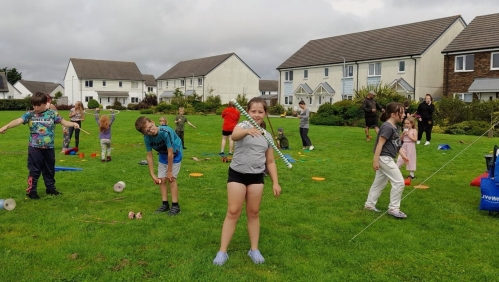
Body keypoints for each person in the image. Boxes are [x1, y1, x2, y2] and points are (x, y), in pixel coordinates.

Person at [213, 97, 282, 266]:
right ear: (248, 111)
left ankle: (254, 249)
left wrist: (275, 182)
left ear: (265, 113)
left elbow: (270, 162)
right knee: (233, 211)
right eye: (253, 111)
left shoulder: (267, 136)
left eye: (260, 112)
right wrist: (247, 131)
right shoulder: (243, 126)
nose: (257, 115)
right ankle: (222, 252)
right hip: (237, 174)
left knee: (253, 212)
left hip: (256, 177)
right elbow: (234, 136)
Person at [0, 92, 79, 199]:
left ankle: (50, 189)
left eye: (38, 105)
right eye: (34, 105)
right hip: (34, 148)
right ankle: (31, 191)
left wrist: (73, 124)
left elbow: (64, 122)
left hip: (49, 148)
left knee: (49, 169)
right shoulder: (30, 114)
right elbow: (18, 120)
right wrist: (6, 126)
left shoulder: (52, 114)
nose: (36, 107)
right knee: (34, 170)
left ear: (45, 103)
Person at [364, 102, 409, 219]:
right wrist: (375, 161)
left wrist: (403, 156)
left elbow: (396, 144)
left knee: (379, 183)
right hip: (384, 158)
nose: (404, 115)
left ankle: (369, 205)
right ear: (393, 114)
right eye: (402, 112)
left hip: (387, 157)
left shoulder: (395, 127)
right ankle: (394, 208)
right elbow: (380, 144)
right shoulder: (387, 127)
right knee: (399, 182)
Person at [135, 116, 183, 216]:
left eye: (151, 126)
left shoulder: (166, 132)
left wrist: (169, 171)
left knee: (171, 179)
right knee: (161, 179)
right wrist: (152, 174)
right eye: (147, 131)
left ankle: (175, 206)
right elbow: (149, 156)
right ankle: (165, 204)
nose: (151, 131)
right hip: (162, 154)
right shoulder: (147, 138)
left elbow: (171, 154)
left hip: (175, 153)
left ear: (153, 122)